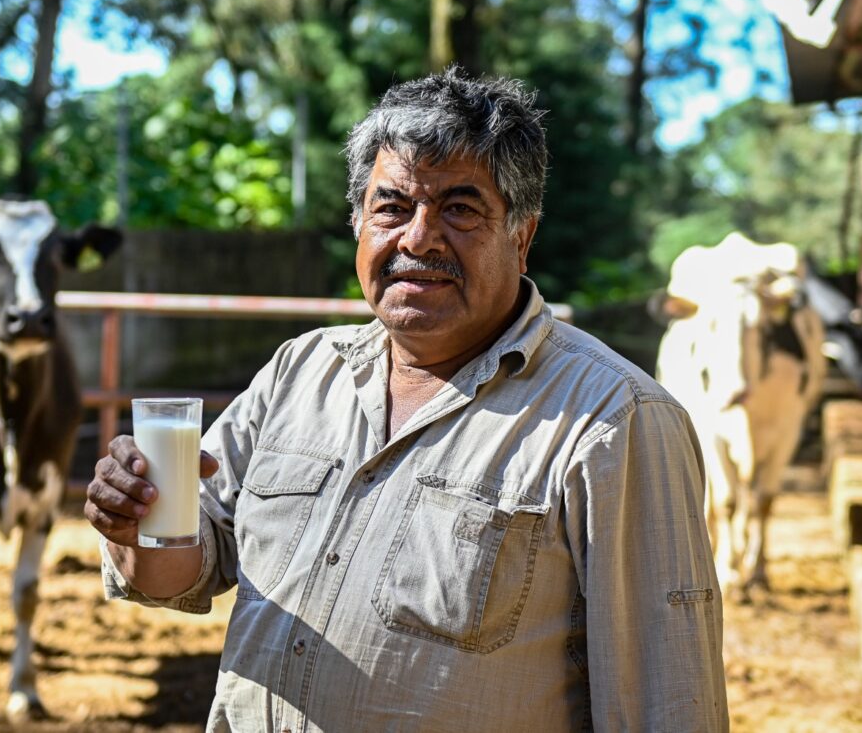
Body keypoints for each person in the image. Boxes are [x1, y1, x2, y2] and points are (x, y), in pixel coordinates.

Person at [85, 67, 729, 731]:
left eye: (459, 208)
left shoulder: (614, 421)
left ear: (521, 237)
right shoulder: (299, 373)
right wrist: (138, 530)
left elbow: (666, 702)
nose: (418, 238)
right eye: (391, 207)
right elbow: (179, 573)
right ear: (360, 222)